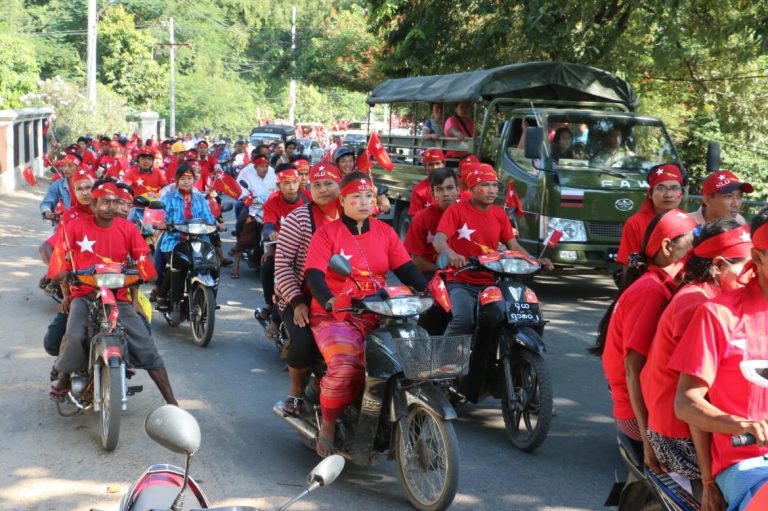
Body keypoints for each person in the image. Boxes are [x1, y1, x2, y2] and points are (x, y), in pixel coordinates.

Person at [304, 171, 427, 456]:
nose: (364, 202)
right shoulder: (327, 233)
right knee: (347, 366)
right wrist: (330, 301)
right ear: (342, 200)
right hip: (337, 314)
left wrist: (428, 289)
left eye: (369, 196)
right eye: (356, 197)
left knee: (412, 362)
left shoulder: (385, 232)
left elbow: (406, 268)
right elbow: (314, 275)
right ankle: (329, 425)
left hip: (379, 311)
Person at [639, 221, 749, 509]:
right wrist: (710, 481)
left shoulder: (707, 294)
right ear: (718, 265)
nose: (752, 277)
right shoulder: (701, 307)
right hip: (680, 436)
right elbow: (692, 406)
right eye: (747, 268)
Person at [49, 181, 177, 405]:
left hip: (119, 296)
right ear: (95, 203)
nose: (109, 206)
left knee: (145, 344)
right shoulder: (74, 227)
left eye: (114, 202)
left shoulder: (128, 228)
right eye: (104, 202)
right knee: (74, 335)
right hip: (85, 295)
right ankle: (63, 377)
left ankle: (173, 403)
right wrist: (61, 276)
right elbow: (61, 256)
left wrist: (147, 271)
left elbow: (141, 258)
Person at [673, 208, 768, 511]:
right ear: (760, 257)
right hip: (748, 463)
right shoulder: (718, 315)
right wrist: (743, 426)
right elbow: (686, 402)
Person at [594, 209, 697, 472]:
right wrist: (650, 440)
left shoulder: (661, 284)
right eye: (693, 239)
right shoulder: (650, 291)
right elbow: (633, 369)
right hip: (636, 413)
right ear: (667, 246)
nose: (698, 246)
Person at [433, 162, 551, 336]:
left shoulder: (500, 214)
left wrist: (535, 262)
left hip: (492, 283)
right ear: (472, 188)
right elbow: (439, 240)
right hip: (461, 281)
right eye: (485, 185)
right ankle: (444, 361)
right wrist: (452, 254)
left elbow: (514, 246)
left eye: (495, 185)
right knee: (464, 319)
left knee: (520, 316)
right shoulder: (456, 211)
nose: (492, 190)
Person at [274, 162, 342, 417]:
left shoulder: (352, 214)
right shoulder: (298, 219)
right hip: (301, 296)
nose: (323, 189)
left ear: (340, 185)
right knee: (303, 340)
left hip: (344, 297)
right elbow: (282, 266)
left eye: (329, 183)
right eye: (317, 185)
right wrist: (296, 301)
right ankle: (296, 391)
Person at [253, 164, 310, 337]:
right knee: (269, 268)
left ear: (300, 180)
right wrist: (271, 233)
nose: (291, 187)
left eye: (294, 182)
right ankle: (272, 308)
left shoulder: (309, 197)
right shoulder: (272, 201)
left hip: (309, 247)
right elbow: (268, 224)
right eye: (286, 183)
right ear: (279, 186)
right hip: (282, 247)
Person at [155, 163, 216, 311]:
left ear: (194, 180)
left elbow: (209, 217)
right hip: (174, 239)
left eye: (189, 178)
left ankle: (208, 297)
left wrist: (214, 224)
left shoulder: (201, 198)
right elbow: (160, 216)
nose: (186, 181)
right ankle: (162, 294)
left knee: (212, 264)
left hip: (199, 239)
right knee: (173, 264)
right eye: (182, 178)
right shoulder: (169, 197)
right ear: (176, 180)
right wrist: (162, 223)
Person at [617, 163, 685, 269]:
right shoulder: (635, 223)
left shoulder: (689, 221)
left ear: (682, 193)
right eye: (661, 188)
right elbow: (630, 263)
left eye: (675, 188)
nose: (668, 195)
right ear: (650, 194)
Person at [405, 167, 458, 275]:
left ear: (458, 190)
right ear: (433, 194)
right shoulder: (421, 219)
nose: (445, 193)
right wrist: (440, 271)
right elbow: (416, 259)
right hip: (431, 272)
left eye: (450, 188)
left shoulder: (467, 214)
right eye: (439, 189)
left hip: (463, 273)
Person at [231, 155, 277, 277]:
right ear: (255, 166)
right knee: (243, 223)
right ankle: (236, 262)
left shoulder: (273, 173)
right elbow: (240, 189)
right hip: (253, 207)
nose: (264, 169)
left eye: (266, 166)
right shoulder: (247, 172)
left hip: (270, 208)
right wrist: (247, 197)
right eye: (261, 166)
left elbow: (278, 188)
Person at [334, 147, 391, 214]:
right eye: (343, 161)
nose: (347, 164)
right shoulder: (333, 181)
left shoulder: (358, 178)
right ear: (337, 163)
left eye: (350, 161)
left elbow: (376, 192)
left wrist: (385, 204)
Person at [408, 147, 446, 216]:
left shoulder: (454, 186)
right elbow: (416, 220)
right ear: (425, 166)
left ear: (444, 164)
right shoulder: (418, 190)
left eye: (438, 163)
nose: (435, 167)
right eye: (431, 164)